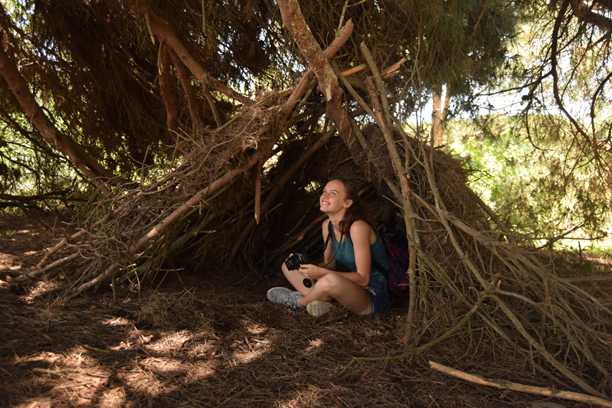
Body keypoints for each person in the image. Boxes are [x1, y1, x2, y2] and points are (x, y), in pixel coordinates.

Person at [267, 178, 391, 317]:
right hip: (343, 287)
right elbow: (330, 265)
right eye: (324, 191)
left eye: (333, 193)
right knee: (289, 263)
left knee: (329, 280)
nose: (324, 196)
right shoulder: (327, 225)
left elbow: (364, 279)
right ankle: (322, 303)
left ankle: (299, 303)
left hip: (371, 295)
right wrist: (309, 268)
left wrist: (321, 273)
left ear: (347, 203)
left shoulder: (358, 228)